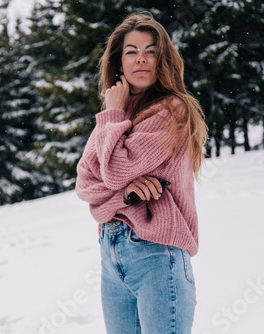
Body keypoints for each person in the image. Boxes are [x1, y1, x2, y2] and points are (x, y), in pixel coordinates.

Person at [75, 11, 208, 334]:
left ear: (163, 58)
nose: (141, 60)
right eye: (131, 52)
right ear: (119, 62)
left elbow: (115, 169)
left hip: (156, 254)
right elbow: (85, 183)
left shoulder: (171, 110)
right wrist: (124, 194)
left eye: (151, 51)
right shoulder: (116, 113)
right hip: (111, 254)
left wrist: (112, 116)